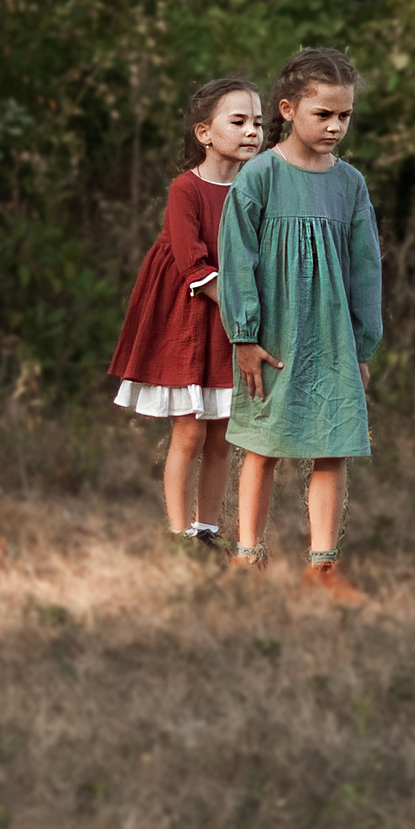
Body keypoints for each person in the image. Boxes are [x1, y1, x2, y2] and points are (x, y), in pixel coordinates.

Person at [219, 47, 382, 602]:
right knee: (262, 446)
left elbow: (366, 267)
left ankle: (322, 566)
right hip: (274, 337)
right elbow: (237, 258)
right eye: (324, 114)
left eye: (345, 115)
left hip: (333, 337)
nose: (336, 126)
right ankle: (247, 556)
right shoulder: (260, 176)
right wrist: (244, 336)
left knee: (332, 444)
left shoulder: (350, 184)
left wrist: (362, 344)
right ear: (287, 109)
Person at [108, 76, 265, 548]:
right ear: (204, 133)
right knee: (190, 432)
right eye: (237, 121)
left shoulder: (258, 189)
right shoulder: (186, 189)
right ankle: (178, 535)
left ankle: (206, 530)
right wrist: (243, 310)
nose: (251, 131)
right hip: (189, 316)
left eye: (258, 122)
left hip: (231, 322)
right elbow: (192, 264)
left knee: (223, 435)